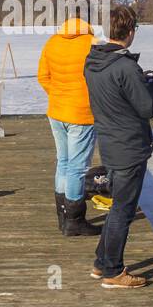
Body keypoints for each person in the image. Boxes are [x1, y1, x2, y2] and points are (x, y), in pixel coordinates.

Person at [83, 5, 153, 289]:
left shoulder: (93, 61)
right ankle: (113, 271)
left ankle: (101, 263)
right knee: (123, 210)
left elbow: (119, 96)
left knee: (119, 206)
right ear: (130, 32)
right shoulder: (126, 66)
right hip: (129, 146)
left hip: (110, 142)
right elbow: (147, 108)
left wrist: (145, 82)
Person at [37, 17, 99, 237]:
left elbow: (42, 76)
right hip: (81, 114)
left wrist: (57, 95)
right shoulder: (92, 43)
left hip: (56, 111)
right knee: (78, 167)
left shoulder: (52, 42)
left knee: (63, 161)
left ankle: (62, 217)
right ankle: (74, 221)